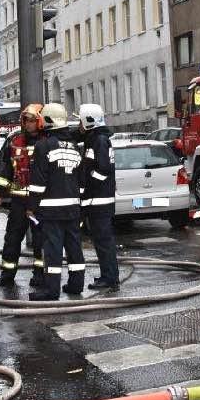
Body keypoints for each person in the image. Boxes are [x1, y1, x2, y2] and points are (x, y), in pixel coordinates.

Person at [29, 103, 86, 302]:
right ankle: (76, 284)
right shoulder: (74, 147)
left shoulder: (43, 146)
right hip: (73, 208)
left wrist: (32, 207)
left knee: (53, 250)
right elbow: (81, 181)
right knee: (74, 247)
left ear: (49, 120)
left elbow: (38, 183)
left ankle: (51, 290)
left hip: (51, 210)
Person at [0, 104, 46, 288]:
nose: (28, 124)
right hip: (19, 201)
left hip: (40, 201)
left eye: (32, 120)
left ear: (39, 121)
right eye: (26, 120)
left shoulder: (46, 142)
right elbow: (6, 170)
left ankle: (40, 276)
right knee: (12, 238)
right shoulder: (15, 142)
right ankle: (7, 274)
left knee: (41, 239)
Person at [77, 103, 119, 292]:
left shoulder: (99, 140)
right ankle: (107, 276)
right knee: (102, 242)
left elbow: (103, 170)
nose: (79, 124)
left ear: (88, 121)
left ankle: (110, 279)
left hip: (99, 201)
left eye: (80, 120)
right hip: (98, 201)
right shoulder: (96, 139)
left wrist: (88, 186)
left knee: (104, 243)